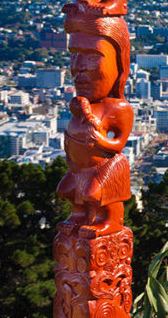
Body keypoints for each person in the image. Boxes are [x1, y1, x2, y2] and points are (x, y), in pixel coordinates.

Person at [56, 19, 133, 237]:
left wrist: (98, 141)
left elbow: (117, 144)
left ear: (119, 64)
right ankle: (78, 216)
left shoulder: (118, 108)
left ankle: (110, 220)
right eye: (73, 55)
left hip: (102, 169)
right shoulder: (82, 104)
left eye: (91, 56)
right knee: (68, 191)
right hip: (79, 167)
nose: (78, 65)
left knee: (97, 193)